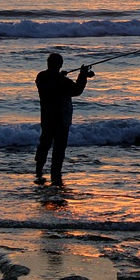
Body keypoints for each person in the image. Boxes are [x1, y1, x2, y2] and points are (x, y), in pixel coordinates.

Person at [35, 53, 92, 184]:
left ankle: (38, 170)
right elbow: (77, 90)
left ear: (48, 63)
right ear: (60, 65)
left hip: (47, 118)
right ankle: (55, 174)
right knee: (59, 148)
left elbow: (53, 81)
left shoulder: (41, 77)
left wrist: (61, 75)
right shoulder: (61, 81)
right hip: (61, 119)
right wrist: (82, 75)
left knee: (44, 145)